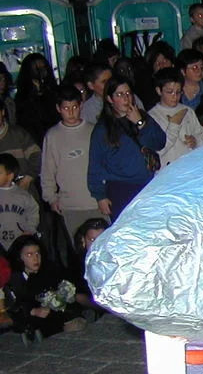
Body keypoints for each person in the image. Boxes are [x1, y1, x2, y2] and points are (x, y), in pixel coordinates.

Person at [87, 77, 166, 220]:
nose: (126, 98)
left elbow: (160, 142)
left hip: (147, 185)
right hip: (120, 188)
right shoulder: (103, 129)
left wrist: (140, 122)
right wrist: (100, 196)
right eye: (119, 94)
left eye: (128, 93)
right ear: (110, 99)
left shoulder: (143, 117)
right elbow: (95, 164)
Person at [41, 85, 106, 244]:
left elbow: (105, 164)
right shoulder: (53, 136)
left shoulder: (94, 131)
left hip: (96, 202)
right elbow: (48, 170)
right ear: (58, 108)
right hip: (70, 205)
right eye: (66, 108)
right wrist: (51, 198)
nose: (71, 112)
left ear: (81, 105)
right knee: (78, 247)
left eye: (74, 107)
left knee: (101, 245)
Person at [5, 233, 85, 342]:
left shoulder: (49, 270)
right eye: (29, 255)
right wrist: (32, 311)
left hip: (58, 319)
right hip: (31, 324)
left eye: (37, 253)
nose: (36, 258)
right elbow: (11, 306)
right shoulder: (13, 279)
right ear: (19, 258)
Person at [148, 68, 203, 167]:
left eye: (178, 92)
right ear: (159, 91)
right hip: (168, 168)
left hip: (189, 165)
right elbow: (156, 151)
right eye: (169, 92)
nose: (174, 96)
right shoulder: (152, 116)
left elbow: (201, 135)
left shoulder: (188, 111)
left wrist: (195, 141)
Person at [0, 154, 39, 250]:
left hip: (19, 241)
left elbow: (33, 212)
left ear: (10, 176)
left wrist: (29, 230)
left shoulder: (23, 195)